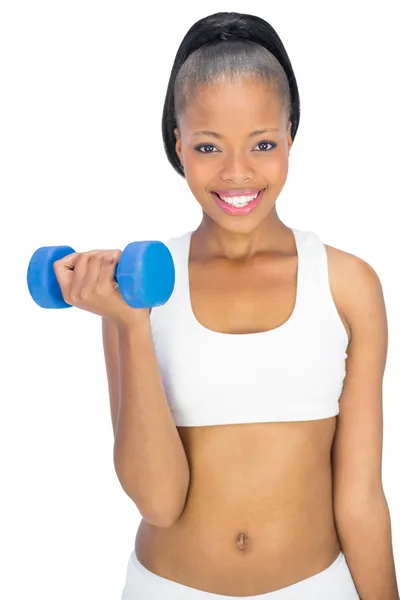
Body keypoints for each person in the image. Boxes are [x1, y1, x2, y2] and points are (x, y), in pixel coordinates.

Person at [55, 10, 398, 600]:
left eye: (262, 143)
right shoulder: (137, 290)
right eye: (209, 146)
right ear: (178, 146)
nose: (237, 173)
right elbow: (158, 501)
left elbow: (362, 496)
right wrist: (130, 326)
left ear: (291, 135)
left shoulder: (348, 284)